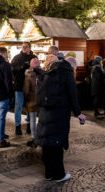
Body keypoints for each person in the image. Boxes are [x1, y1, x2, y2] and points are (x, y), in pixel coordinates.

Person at [36, 55, 86, 183]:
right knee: (57, 145)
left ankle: (48, 174)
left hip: (45, 112)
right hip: (59, 112)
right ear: (72, 67)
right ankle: (58, 175)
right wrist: (78, 113)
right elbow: (73, 94)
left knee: (47, 144)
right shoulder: (67, 73)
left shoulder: (49, 71)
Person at [11, 42, 37, 135]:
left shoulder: (34, 57)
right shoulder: (17, 57)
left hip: (30, 87)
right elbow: (12, 69)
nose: (24, 48)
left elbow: (37, 69)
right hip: (19, 86)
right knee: (18, 106)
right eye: (23, 47)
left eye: (26, 47)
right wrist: (22, 68)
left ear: (30, 48)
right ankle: (17, 126)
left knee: (29, 106)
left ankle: (29, 126)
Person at [23, 58, 41, 147]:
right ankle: (41, 136)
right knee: (41, 120)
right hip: (41, 101)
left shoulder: (28, 74)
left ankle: (34, 138)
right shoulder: (43, 73)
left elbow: (26, 90)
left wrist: (25, 100)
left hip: (31, 100)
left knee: (33, 120)